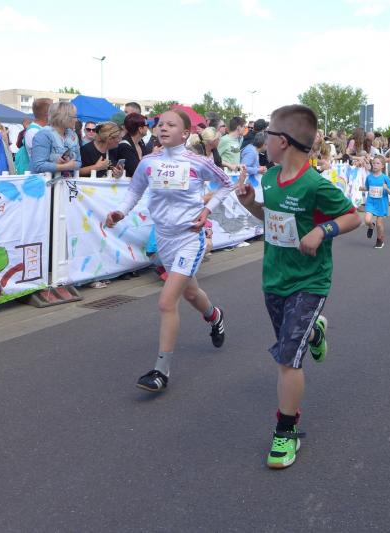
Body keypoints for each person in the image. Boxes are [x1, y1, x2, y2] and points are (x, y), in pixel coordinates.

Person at [235, 104, 360, 469]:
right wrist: (250, 205)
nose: (263, 141)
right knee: (291, 345)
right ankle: (315, 332)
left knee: (288, 357)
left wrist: (322, 230)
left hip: (309, 281)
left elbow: (352, 216)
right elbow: (272, 219)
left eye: (268, 135)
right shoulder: (271, 178)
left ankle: (286, 431)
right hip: (274, 277)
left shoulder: (315, 184)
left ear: (284, 141)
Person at [105, 109, 233, 393]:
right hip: (164, 238)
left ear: (185, 133)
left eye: (171, 125)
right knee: (191, 293)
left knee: (166, 302)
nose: (163, 128)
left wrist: (206, 210)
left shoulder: (198, 162)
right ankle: (215, 316)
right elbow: (134, 192)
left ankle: (160, 372)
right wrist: (120, 212)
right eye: (160, 124)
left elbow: (226, 184)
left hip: (189, 238)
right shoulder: (149, 163)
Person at [29, 102, 81, 176]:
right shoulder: (44, 135)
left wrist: (70, 163)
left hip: (65, 182)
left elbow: (79, 162)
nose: (76, 120)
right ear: (64, 117)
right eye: (74, 116)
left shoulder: (73, 135)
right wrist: (65, 166)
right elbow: (38, 165)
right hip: (45, 182)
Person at [360, 155, 390, 248]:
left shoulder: (385, 178)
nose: (375, 165)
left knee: (379, 224)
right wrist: (362, 188)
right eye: (373, 163)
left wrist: (386, 188)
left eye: (378, 163)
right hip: (371, 202)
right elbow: (368, 187)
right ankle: (371, 226)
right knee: (367, 220)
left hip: (381, 203)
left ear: (382, 166)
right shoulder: (369, 177)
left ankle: (380, 240)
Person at [116, 113, 148, 177]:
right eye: (147, 125)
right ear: (140, 129)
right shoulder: (124, 146)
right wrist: (152, 155)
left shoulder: (141, 142)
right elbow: (136, 171)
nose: (148, 127)